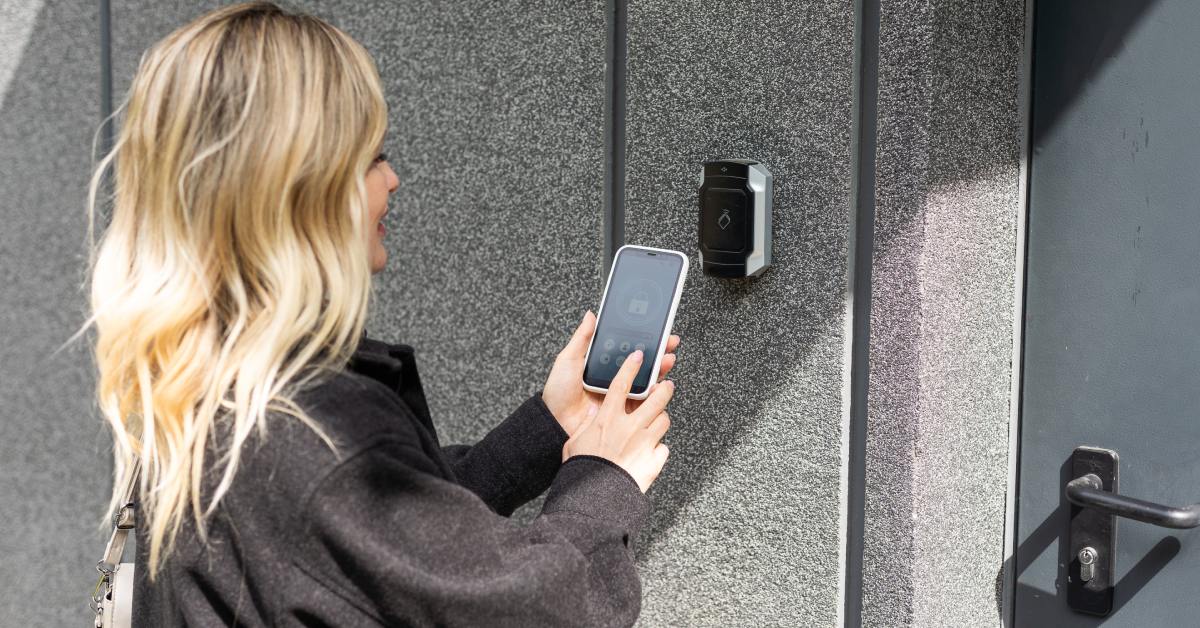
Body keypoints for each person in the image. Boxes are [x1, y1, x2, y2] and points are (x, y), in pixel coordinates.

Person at [75, 2, 677, 626]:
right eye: (370, 157)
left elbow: (390, 553)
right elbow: (537, 611)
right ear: (295, 187)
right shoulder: (309, 430)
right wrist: (603, 479)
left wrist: (550, 426)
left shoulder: (203, 387)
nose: (391, 180)